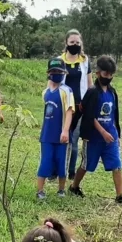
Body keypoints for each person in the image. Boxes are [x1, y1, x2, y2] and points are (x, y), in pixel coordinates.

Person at [69, 55, 122, 206]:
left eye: (111, 74)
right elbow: (89, 115)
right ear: (98, 73)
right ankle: (74, 186)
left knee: (116, 164)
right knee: (86, 165)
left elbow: (114, 115)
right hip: (93, 138)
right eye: (106, 74)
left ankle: (120, 195)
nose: (109, 77)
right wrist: (102, 132)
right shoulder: (92, 92)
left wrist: (116, 133)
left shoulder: (112, 93)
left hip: (110, 137)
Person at [36, 57, 74, 199]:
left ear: (64, 73)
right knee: (45, 161)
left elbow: (69, 111)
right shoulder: (45, 92)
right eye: (53, 71)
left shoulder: (66, 91)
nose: (56, 73)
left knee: (61, 163)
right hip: (46, 135)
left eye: (59, 71)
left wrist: (65, 131)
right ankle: (40, 191)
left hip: (61, 136)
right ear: (48, 73)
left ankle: (61, 190)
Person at [59, 30, 93, 180]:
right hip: (63, 105)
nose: (75, 45)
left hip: (80, 107)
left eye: (77, 43)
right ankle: (58, 169)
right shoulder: (59, 61)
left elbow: (90, 84)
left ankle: (70, 171)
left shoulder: (85, 61)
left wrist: (91, 103)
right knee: (61, 138)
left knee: (73, 141)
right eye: (72, 42)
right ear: (66, 43)